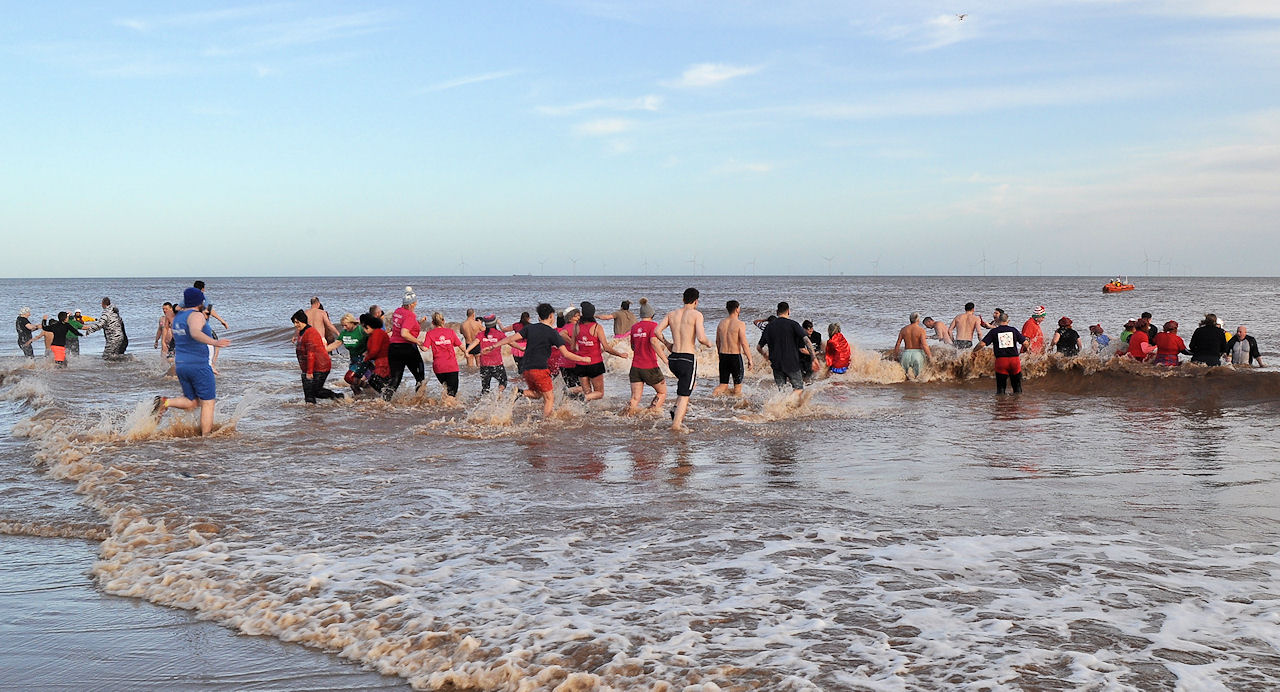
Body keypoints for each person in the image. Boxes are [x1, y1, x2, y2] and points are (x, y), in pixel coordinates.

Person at [482, 302, 589, 417]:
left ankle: (520, 392)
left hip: (526, 369)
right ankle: (546, 423)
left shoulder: (529, 328)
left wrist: (493, 346)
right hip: (540, 369)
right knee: (549, 398)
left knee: (538, 394)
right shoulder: (552, 333)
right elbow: (566, 354)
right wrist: (583, 359)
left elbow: (510, 339)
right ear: (551, 317)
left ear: (539, 317)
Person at [152, 287, 231, 435]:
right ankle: (205, 439)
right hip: (198, 365)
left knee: (192, 401)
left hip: (181, 365)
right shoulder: (196, 315)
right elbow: (195, 333)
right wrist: (215, 342)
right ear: (199, 302)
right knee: (208, 403)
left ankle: (165, 402)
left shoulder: (177, 318)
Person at [656, 288, 712, 431]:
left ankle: (675, 410)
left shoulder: (672, 314)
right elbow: (700, 337)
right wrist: (708, 343)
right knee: (685, 394)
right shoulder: (696, 314)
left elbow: (656, 331)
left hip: (673, 358)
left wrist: (668, 344)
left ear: (683, 299)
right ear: (696, 301)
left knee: (688, 386)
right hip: (687, 358)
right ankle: (675, 426)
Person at [571, 301, 628, 401]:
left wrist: (584, 347)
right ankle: (585, 397)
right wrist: (620, 354)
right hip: (595, 363)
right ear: (592, 314)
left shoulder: (576, 327)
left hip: (580, 363)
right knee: (599, 393)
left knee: (587, 391)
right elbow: (606, 347)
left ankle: (586, 412)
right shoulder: (597, 328)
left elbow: (573, 347)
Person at [758, 301, 815, 395]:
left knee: (781, 391)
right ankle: (789, 403)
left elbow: (759, 347)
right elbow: (807, 341)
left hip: (776, 363)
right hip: (791, 363)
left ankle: (781, 405)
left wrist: (765, 355)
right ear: (788, 311)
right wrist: (814, 358)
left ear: (777, 312)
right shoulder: (793, 324)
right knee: (799, 388)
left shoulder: (769, 327)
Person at [623, 299, 669, 414]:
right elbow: (653, 341)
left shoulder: (634, 327)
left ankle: (625, 416)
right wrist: (665, 359)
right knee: (662, 392)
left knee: (635, 398)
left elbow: (633, 346)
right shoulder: (653, 325)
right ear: (651, 314)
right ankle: (650, 413)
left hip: (635, 367)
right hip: (650, 366)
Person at [384, 287, 428, 400]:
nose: (416, 304)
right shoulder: (410, 315)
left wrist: (419, 322)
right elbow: (404, 333)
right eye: (415, 303)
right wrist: (418, 342)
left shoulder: (398, 311)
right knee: (420, 377)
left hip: (393, 348)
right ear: (412, 304)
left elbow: (401, 326)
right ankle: (419, 403)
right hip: (407, 348)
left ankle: (384, 401)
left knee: (395, 379)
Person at [292, 309, 341, 404]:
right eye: (294, 322)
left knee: (316, 392)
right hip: (308, 367)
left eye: (297, 322)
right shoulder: (301, 332)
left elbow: (311, 353)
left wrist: (309, 372)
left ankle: (338, 397)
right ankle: (311, 415)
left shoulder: (310, 333)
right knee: (308, 396)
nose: (295, 325)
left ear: (303, 321)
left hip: (320, 366)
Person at [973, 309, 1025, 394]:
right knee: (1017, 386)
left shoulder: (994, 331)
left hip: (1001, 361)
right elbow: (1025, 343)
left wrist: (974, 351)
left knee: (1001, 388)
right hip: (1014, 360)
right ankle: (1016, 404)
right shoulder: (1013, 330)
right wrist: (1026, 348)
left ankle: (1001, 405)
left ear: (998, 320)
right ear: (1008, 321)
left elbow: (982, 344)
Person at [712, 300, 753, 396]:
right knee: (737, 387)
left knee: (723, 385)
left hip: (723, 356)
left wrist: (719, 354)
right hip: (735, 357)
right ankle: (735, 407)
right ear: (737, 309)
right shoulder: (740, 324)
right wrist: (750, 359)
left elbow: (717, 341)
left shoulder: (721, 323)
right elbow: (744, 343)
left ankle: (712, 397)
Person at [425, 312, 465, 400]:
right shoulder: (450, 332)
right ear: (444, 321)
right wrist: (468, 353)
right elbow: (461, 346)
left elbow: (424, 348)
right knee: (452, 393)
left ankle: (444, 409)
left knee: (446, 389)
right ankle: (449, 411)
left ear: (432, 323)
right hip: (451, 366)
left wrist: (418, 343)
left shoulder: (429, 334)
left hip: (438, 368)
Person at [473, 315, 510, 395]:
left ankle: (483, 403)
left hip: (484, 365)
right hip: (497, 364)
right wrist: (521, 348)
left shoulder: (481, 334)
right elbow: (510, 342)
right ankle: (498, 393)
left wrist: (467, 350)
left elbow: (474, 342)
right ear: (495, 323)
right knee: (503, 382)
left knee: (485, 388)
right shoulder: (499, 334)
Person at [335, 313, 368, 394]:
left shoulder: (361, 330)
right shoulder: (344, 332)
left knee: (348, 377)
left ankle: (368, 387)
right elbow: (336, 343)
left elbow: (373, 340)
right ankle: (361, 400)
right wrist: (323, 350)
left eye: (346, 325)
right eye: (342, 325)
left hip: (363, 359)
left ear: (352, 322)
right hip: (353, 359)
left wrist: (368, 352)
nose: (344, 327)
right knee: (353, 386)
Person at [359, 313, 391, 396]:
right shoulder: (375, 333)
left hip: (384, 363)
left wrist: (366, 357)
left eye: (363, 327)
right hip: (382, 362)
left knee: (373, 380)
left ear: (368, 325)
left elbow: (375, 350)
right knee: (380, 382)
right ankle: (387, 397)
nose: (363, 329)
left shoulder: (377, 333)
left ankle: (386, 397)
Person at [893, 313, 933, 379]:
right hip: (918, 355)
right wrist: (930, 356)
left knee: (905, 377)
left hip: (906, 354)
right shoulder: (921, 330)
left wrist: (895, 356)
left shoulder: (903, 329)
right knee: (918, 378)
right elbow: (924, 345)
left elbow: (898, 344)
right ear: (918, 320)